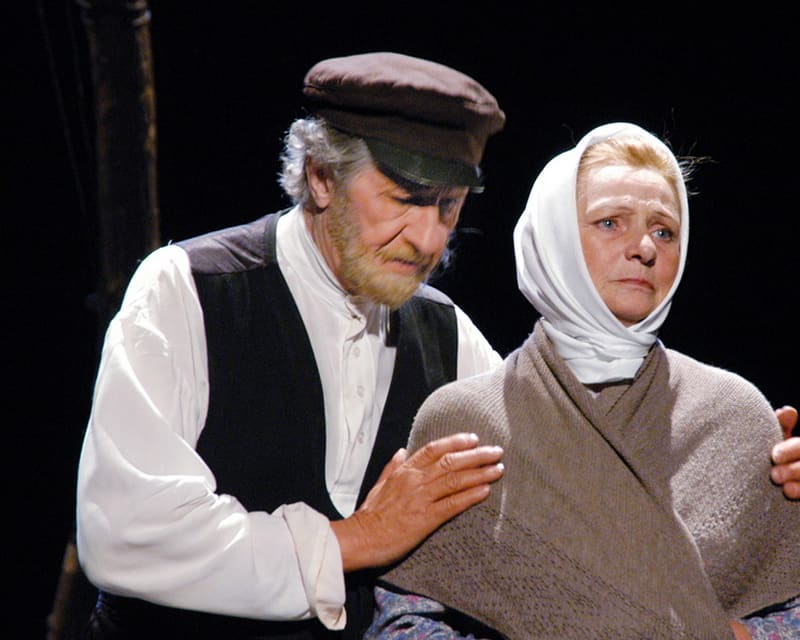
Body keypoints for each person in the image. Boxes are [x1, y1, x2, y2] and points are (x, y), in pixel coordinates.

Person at [75, 52, 508, 639]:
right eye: (405, 199)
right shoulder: (188, 289)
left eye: (448, 206)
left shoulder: (452, 339)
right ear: (321, 176)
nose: (429, 239)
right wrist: (359, 538)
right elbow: (126, 531)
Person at [368, 123, 800, 639]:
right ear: (555, 240)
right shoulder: (466, 421)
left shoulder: (735, 416)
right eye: (610, 223)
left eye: (664, 231)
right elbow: (405, 620)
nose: (644, 248)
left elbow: (789, 608)